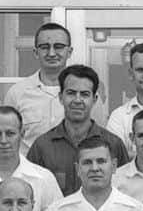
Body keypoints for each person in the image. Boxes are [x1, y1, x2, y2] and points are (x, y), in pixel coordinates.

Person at [27, 65, 129, 195]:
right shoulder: (42, 146)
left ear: (94, 99)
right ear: (60, 97)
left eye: (85, 94)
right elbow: (30, 193)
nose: (77, 100)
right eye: (71, 93)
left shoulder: (114, 145)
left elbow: (124, 191)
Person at [5, 22, 76, 150]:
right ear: (35, 52)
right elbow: (7, 138)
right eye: (44, 47)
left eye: (58, 47)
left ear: (69, 52)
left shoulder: (83, 93)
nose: (52, 53)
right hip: (29, 168)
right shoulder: (17, 93)